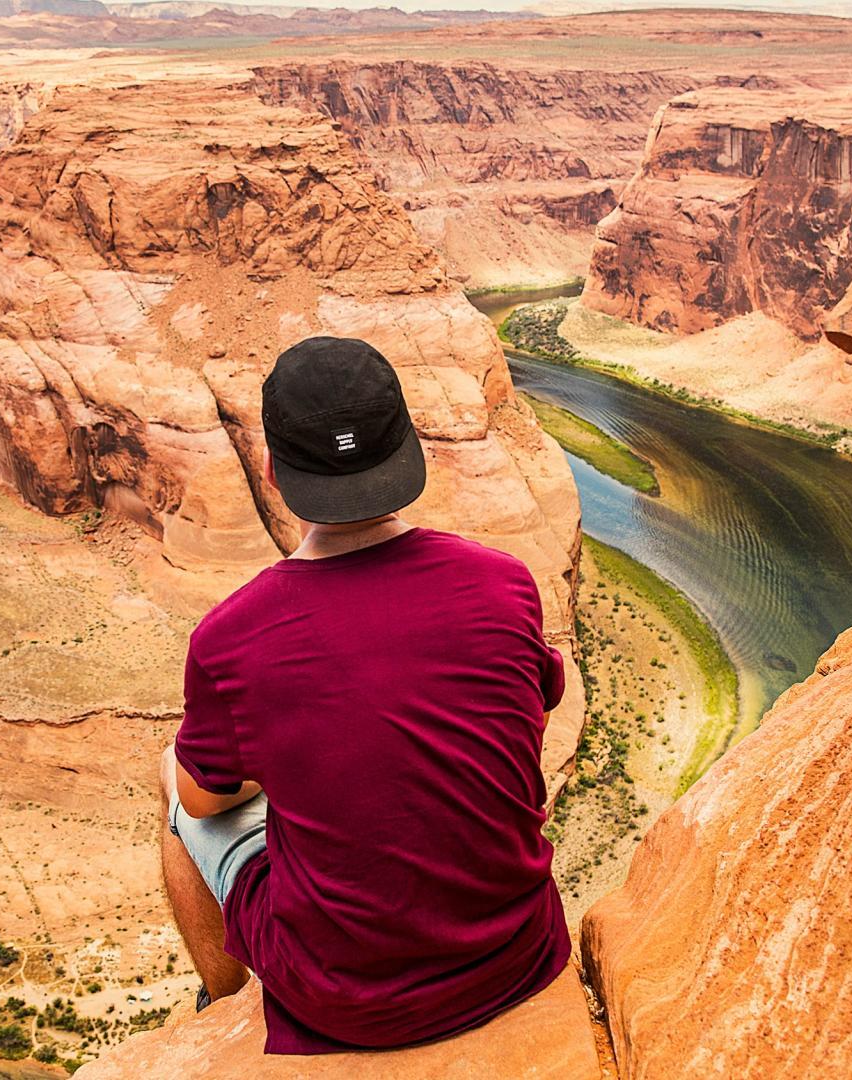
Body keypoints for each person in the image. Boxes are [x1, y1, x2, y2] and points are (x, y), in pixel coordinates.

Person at [159, 335, 570, 1055]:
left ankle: (222, 1005)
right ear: (409, 449)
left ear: (271, 471)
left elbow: (205, 803)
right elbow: (530, 710)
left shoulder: (233, 638)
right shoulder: (503, 581)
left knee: (173, 789)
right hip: (518, 954)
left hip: (352, 1005)